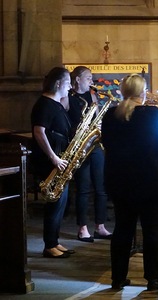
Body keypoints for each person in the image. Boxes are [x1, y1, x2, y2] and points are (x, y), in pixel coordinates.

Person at [101, 74, 158, 291]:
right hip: (149, 179)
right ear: (143, 93)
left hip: (119, 180)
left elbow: (107, 144)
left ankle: (118, 278)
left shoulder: (110, 116)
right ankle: (152, 279)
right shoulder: (152, 115)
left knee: (122, 228)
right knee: (152, 229)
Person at [31, 67, 75, 258]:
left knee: (60, 203)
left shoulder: (56, 104)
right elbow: (39, 132)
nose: (70, 87)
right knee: (54, 203)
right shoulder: (44, 104)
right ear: (58, 84)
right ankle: (49, 245)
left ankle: (54, 242)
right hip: (51, 161)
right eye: (67, 83)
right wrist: (53, 157)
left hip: (59, 158)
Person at [65, 66, 112, 243]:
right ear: (77, 79)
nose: (91, 81)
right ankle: (82, 227)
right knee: (83, 189)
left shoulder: (92, 95)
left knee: (101, 188)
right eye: (88, 78)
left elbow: (96, 116)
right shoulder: (68, 97)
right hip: (79, 146)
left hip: (95, 145)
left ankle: (100, 226)